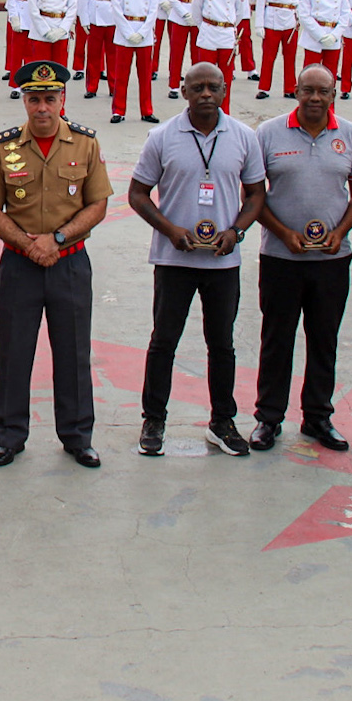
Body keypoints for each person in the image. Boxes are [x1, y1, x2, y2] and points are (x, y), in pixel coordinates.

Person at [129, 61, 268, 457]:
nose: (206, 94)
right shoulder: (162, 137)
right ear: (184, 92)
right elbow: (137, 193)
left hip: (223, 262)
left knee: (221, 343)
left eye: (213, 87)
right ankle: (153, 419)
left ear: (225, 91)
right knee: (164, 341)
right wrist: (170, 230)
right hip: (174, 260)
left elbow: (256, 194)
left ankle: (222, 421)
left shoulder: (243, 137)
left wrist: (236, 231)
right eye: (197, 88)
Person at [0, 61, 111, 467]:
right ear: (24, 100)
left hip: (69, 263)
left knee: (73, 352)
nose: (41, 108)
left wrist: (56, 240)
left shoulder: (85, 144)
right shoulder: (3, 147)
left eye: (49, 99)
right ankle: (9, 436)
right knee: (14, 353)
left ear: (62, 100)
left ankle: (76, 435)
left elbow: (98, 204)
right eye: (33, 99)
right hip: (20, 265)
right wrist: (29, 244)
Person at [251, 63, 352, 452]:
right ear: (296, 91)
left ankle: (317, 417)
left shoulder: (350, 135)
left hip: (332, 260)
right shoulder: (268, 133)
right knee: (276, 339)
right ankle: (268, 418)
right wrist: (283, 233)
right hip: (280, 258)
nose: (315, 98)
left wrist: (341, 232)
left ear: (334, 95)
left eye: (323, 91)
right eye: (308, 90)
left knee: (324, 339)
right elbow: (253, 196)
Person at [105, 0, 164, 124]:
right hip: (125, 33)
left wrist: (144, 32)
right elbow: (116, 10)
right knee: (121, 76)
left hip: (144, 34)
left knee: (145, 77)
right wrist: (128, 32)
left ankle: (147, 110)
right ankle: (118, 111)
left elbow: (153, 11)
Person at [190, 0, 249, 110]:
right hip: (209, 32)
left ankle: (224, 110)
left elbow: (240, 12)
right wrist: (206, 27)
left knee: (225, 78)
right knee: (205, 76)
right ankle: (203, 109)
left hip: (226, 34)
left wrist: (228, 26)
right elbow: (196, 11)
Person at [162, 0, 204, 98]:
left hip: (197, 16)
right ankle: (173, 85)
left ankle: (196, 84)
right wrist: (185, 13)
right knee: (176, 52)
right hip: (179, 15)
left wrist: (196, 15)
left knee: (197, 52)